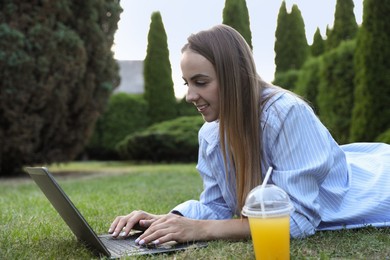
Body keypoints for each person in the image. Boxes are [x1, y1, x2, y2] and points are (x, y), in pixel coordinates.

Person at [109, 24, 390, 245]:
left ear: (235, 76)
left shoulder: (286, 114)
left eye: (201, 82)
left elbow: (299, 222)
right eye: (187, 83)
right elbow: (217, 206)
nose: (190, 96)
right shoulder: (210, 134)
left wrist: (201, 229)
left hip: (376, 188)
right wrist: (167, 220)